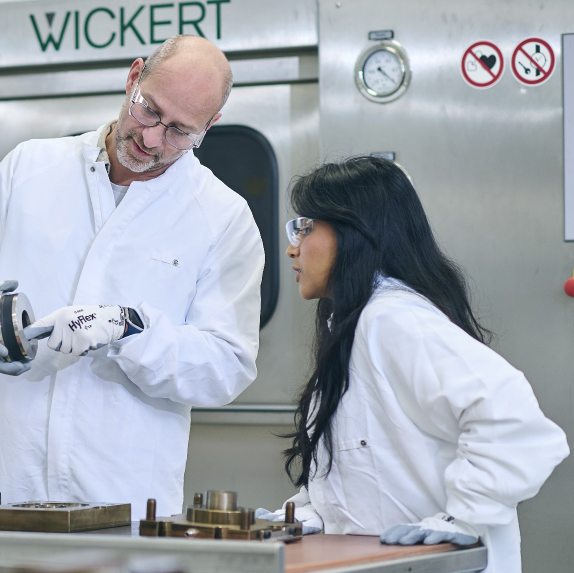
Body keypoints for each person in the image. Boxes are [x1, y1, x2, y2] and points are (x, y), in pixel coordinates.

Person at [257, 156, 568, 573]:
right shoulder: (352, 325)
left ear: (355, 233)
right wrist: (313, 512)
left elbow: (518, 425)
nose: (293, 247)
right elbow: (368, 458)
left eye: (307, 227)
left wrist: (465, 516)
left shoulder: (391, 319)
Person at [0, 35, 264, 519]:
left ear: (211, 126)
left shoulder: (222, 217)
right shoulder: (27, 169)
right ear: (133, 77)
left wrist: (129, 329)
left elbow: (226, 365)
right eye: (148, 111)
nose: (152, 140)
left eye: (181, 132)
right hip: (7, 480)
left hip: (123, 498)